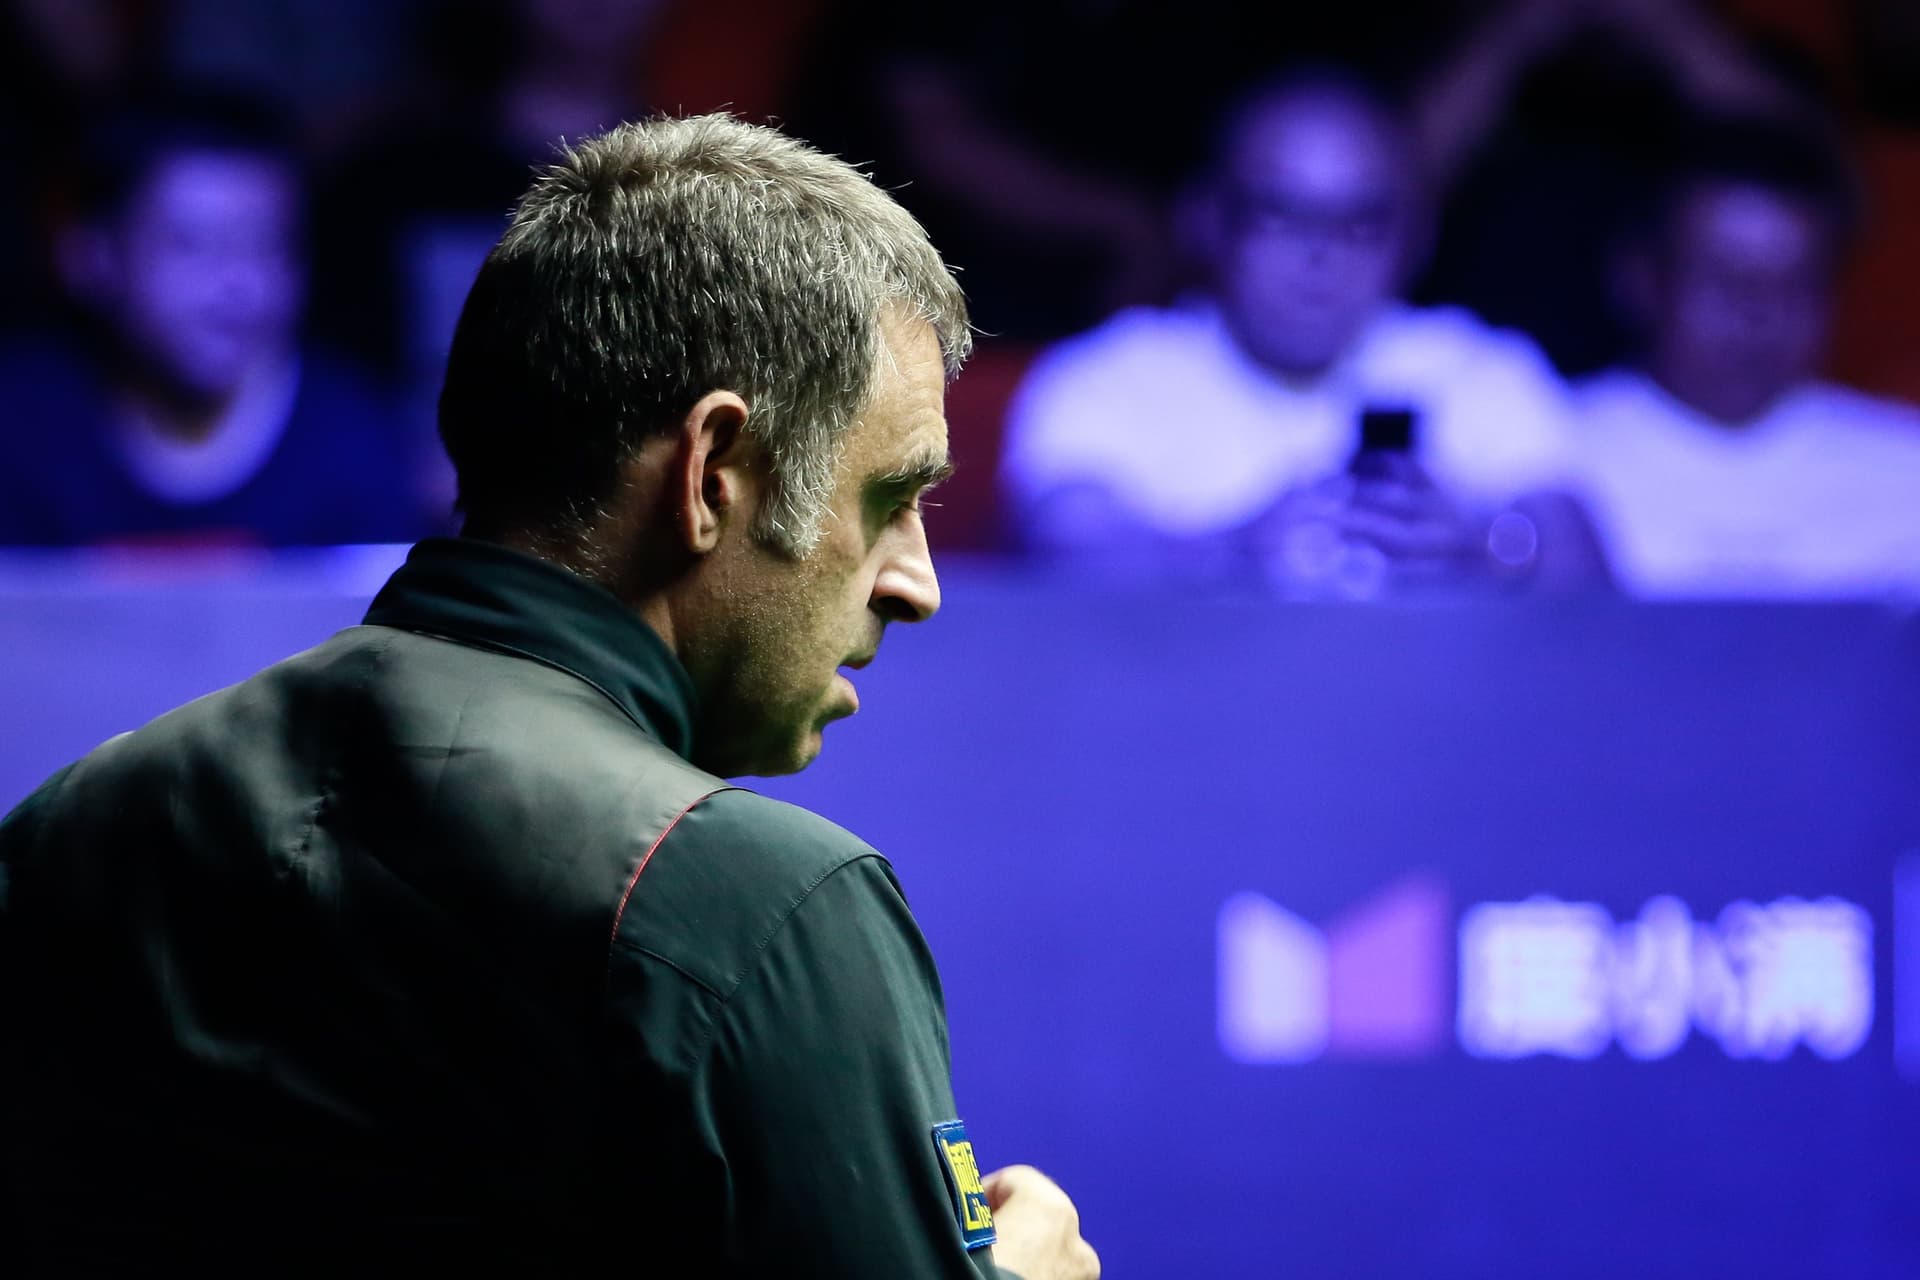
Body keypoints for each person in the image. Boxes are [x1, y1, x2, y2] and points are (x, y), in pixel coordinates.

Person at [0, 114, 1099, 1279]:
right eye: (888, 498)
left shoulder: (70, 825)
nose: (916, 582)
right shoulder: (765, 907)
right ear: (711, 473)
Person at [1001, 68, 1607, 596]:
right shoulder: (1108, 377)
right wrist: (1230, 555)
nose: (1321, 256)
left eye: (1360, 223)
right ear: (1209, 221)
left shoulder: (1481, 370)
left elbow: (1596, 581)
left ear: (1413, 237)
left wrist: (1485, 553)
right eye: (1283, 216)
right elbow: (1061, 561)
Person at [0, 89, 432, 547]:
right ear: (94, 256)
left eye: (267, 244)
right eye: (192, 244)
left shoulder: (354, 436)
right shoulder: (19, 421)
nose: (239, 282)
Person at [1573, 112, 1920, 599]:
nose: (1760, 315)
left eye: (1794, 285)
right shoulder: (1545, 456)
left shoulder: (1906, 468)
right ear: (1641, 279)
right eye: (1726, 281)